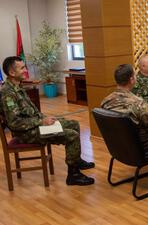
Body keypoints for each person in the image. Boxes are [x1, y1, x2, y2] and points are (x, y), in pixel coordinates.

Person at [0, 56, 94, 186]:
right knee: (72, 135)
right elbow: (14, 122)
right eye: (22, 68)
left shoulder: (18, 87)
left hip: (35, 126)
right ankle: (73, 175)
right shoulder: (7, 93)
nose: (25, 70)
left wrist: (44, 118)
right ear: (11, 73)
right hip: (26, 134)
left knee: (74, 124)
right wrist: (41, 122)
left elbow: (30, 113)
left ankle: (76, 161)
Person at [101, 64, 148, 151]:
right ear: (132, 80)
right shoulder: (138, 104)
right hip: (140, 148)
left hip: (117, 147)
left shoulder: (105, 101)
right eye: (135, 75)